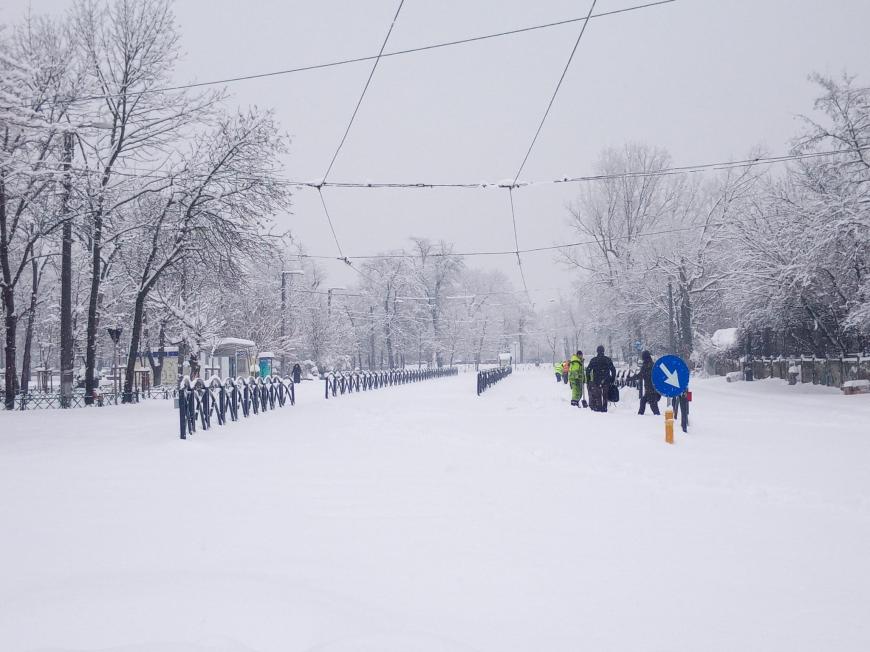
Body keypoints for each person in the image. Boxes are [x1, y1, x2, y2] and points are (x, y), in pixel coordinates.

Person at [586, 345, 616, 412]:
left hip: (597, 380)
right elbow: (613, 369)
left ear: (597, 351)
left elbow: (588, 370)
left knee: (598, 394)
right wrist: (612, 378)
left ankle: (599, 407)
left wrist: (588, 379)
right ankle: (604, 408)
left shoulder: (593, 360)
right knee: (605, 395)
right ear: (603, 351)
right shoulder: (607, 359)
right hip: (606, 379)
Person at [632, 350, 661, 415]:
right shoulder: (652, 364)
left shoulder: (646, 365)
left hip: (650, 389)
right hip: (653, 388)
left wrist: (632, 378)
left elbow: (640, 375)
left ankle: (657, 417)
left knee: (653, 405)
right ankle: (640, 415)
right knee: (643, 401)